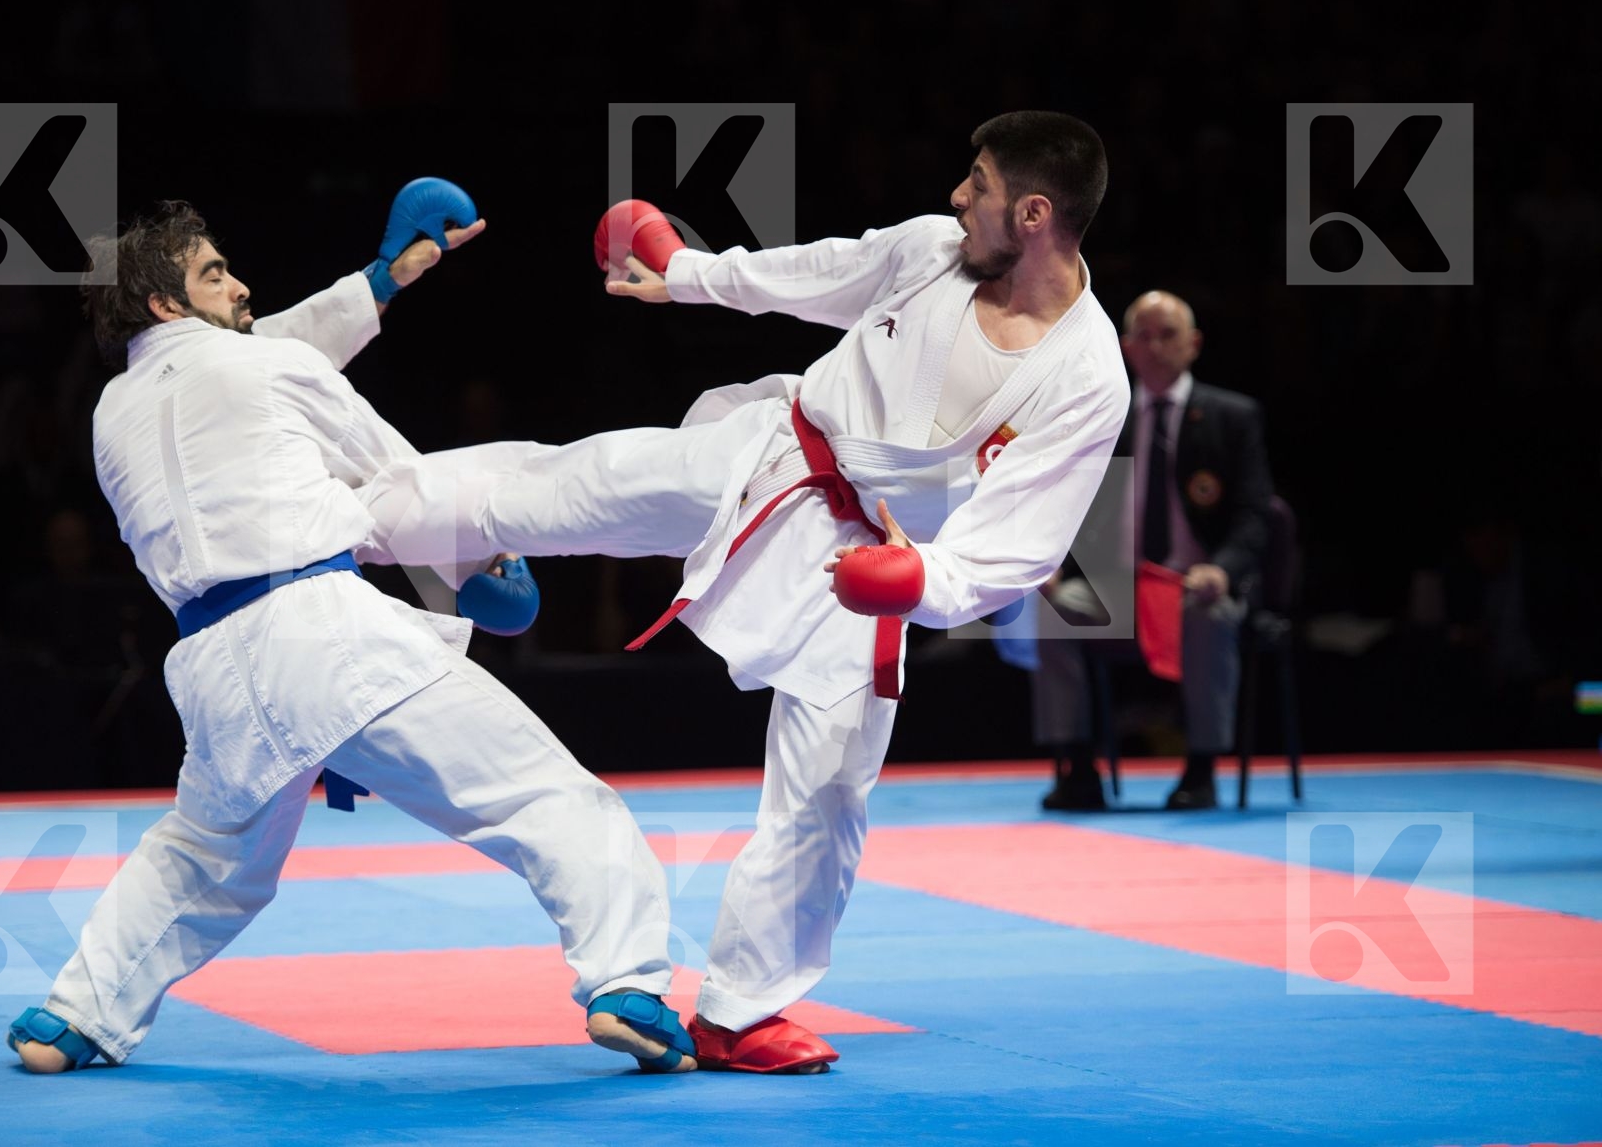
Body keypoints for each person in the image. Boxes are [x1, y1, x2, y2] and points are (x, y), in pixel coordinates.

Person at [366, 112, 1130, 1072]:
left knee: (829, 790)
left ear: (1031, 212)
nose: (955, 197)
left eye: (975, 183)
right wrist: (687, 273)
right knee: (573, 486)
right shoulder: (933, 250)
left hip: (868, 568)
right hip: (772, 456)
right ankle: (355, 522)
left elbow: (1025, 539)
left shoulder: (1089, 374)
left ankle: (740, 1011)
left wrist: (922, 580)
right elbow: (818, 273)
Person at [4, 196, 697, 1076]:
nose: (241, 282)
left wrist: (378, 283)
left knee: (204, 859)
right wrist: (477, 561)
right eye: (214, 272)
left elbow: (252, 356)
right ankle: (625, 986)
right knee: (549, 800)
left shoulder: (113, 414)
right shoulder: (267, 369)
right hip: (326, 635)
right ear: (165, 304)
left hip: (214, 666)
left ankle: (74, 1018)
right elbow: (395, 480)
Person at [1035, 290, 1273, 811]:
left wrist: (1223, 570)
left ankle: (1201, 769)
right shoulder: (1103, 417)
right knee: (1055, 607)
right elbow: (1070, 504)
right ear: (1124, 347)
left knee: (1208, 613)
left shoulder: (1231, 417)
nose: (1156, 345)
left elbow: (1257, 514)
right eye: (1144, 335)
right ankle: (1077, 767)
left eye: (1169, 334)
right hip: (1119, 588)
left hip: (1194, 586)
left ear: (1194, 344)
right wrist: (1052, 564)